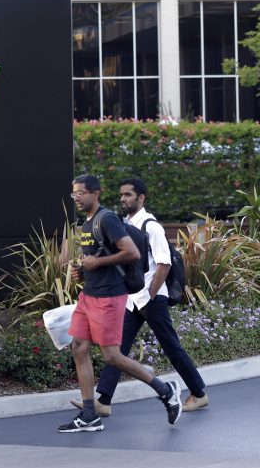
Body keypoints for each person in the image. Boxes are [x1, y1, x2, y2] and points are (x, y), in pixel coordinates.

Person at [70, 178, 208, 416]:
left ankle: (199, 394)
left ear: (140, 198)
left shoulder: (151, 225)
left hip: (151, 298)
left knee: (171, 346)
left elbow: (163, 264)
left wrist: (150, 295)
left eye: (128, 195)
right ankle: (103, 401)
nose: (123, 199)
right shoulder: (123, 223)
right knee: (116, 350)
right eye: (122, 195)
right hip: (132, 298)